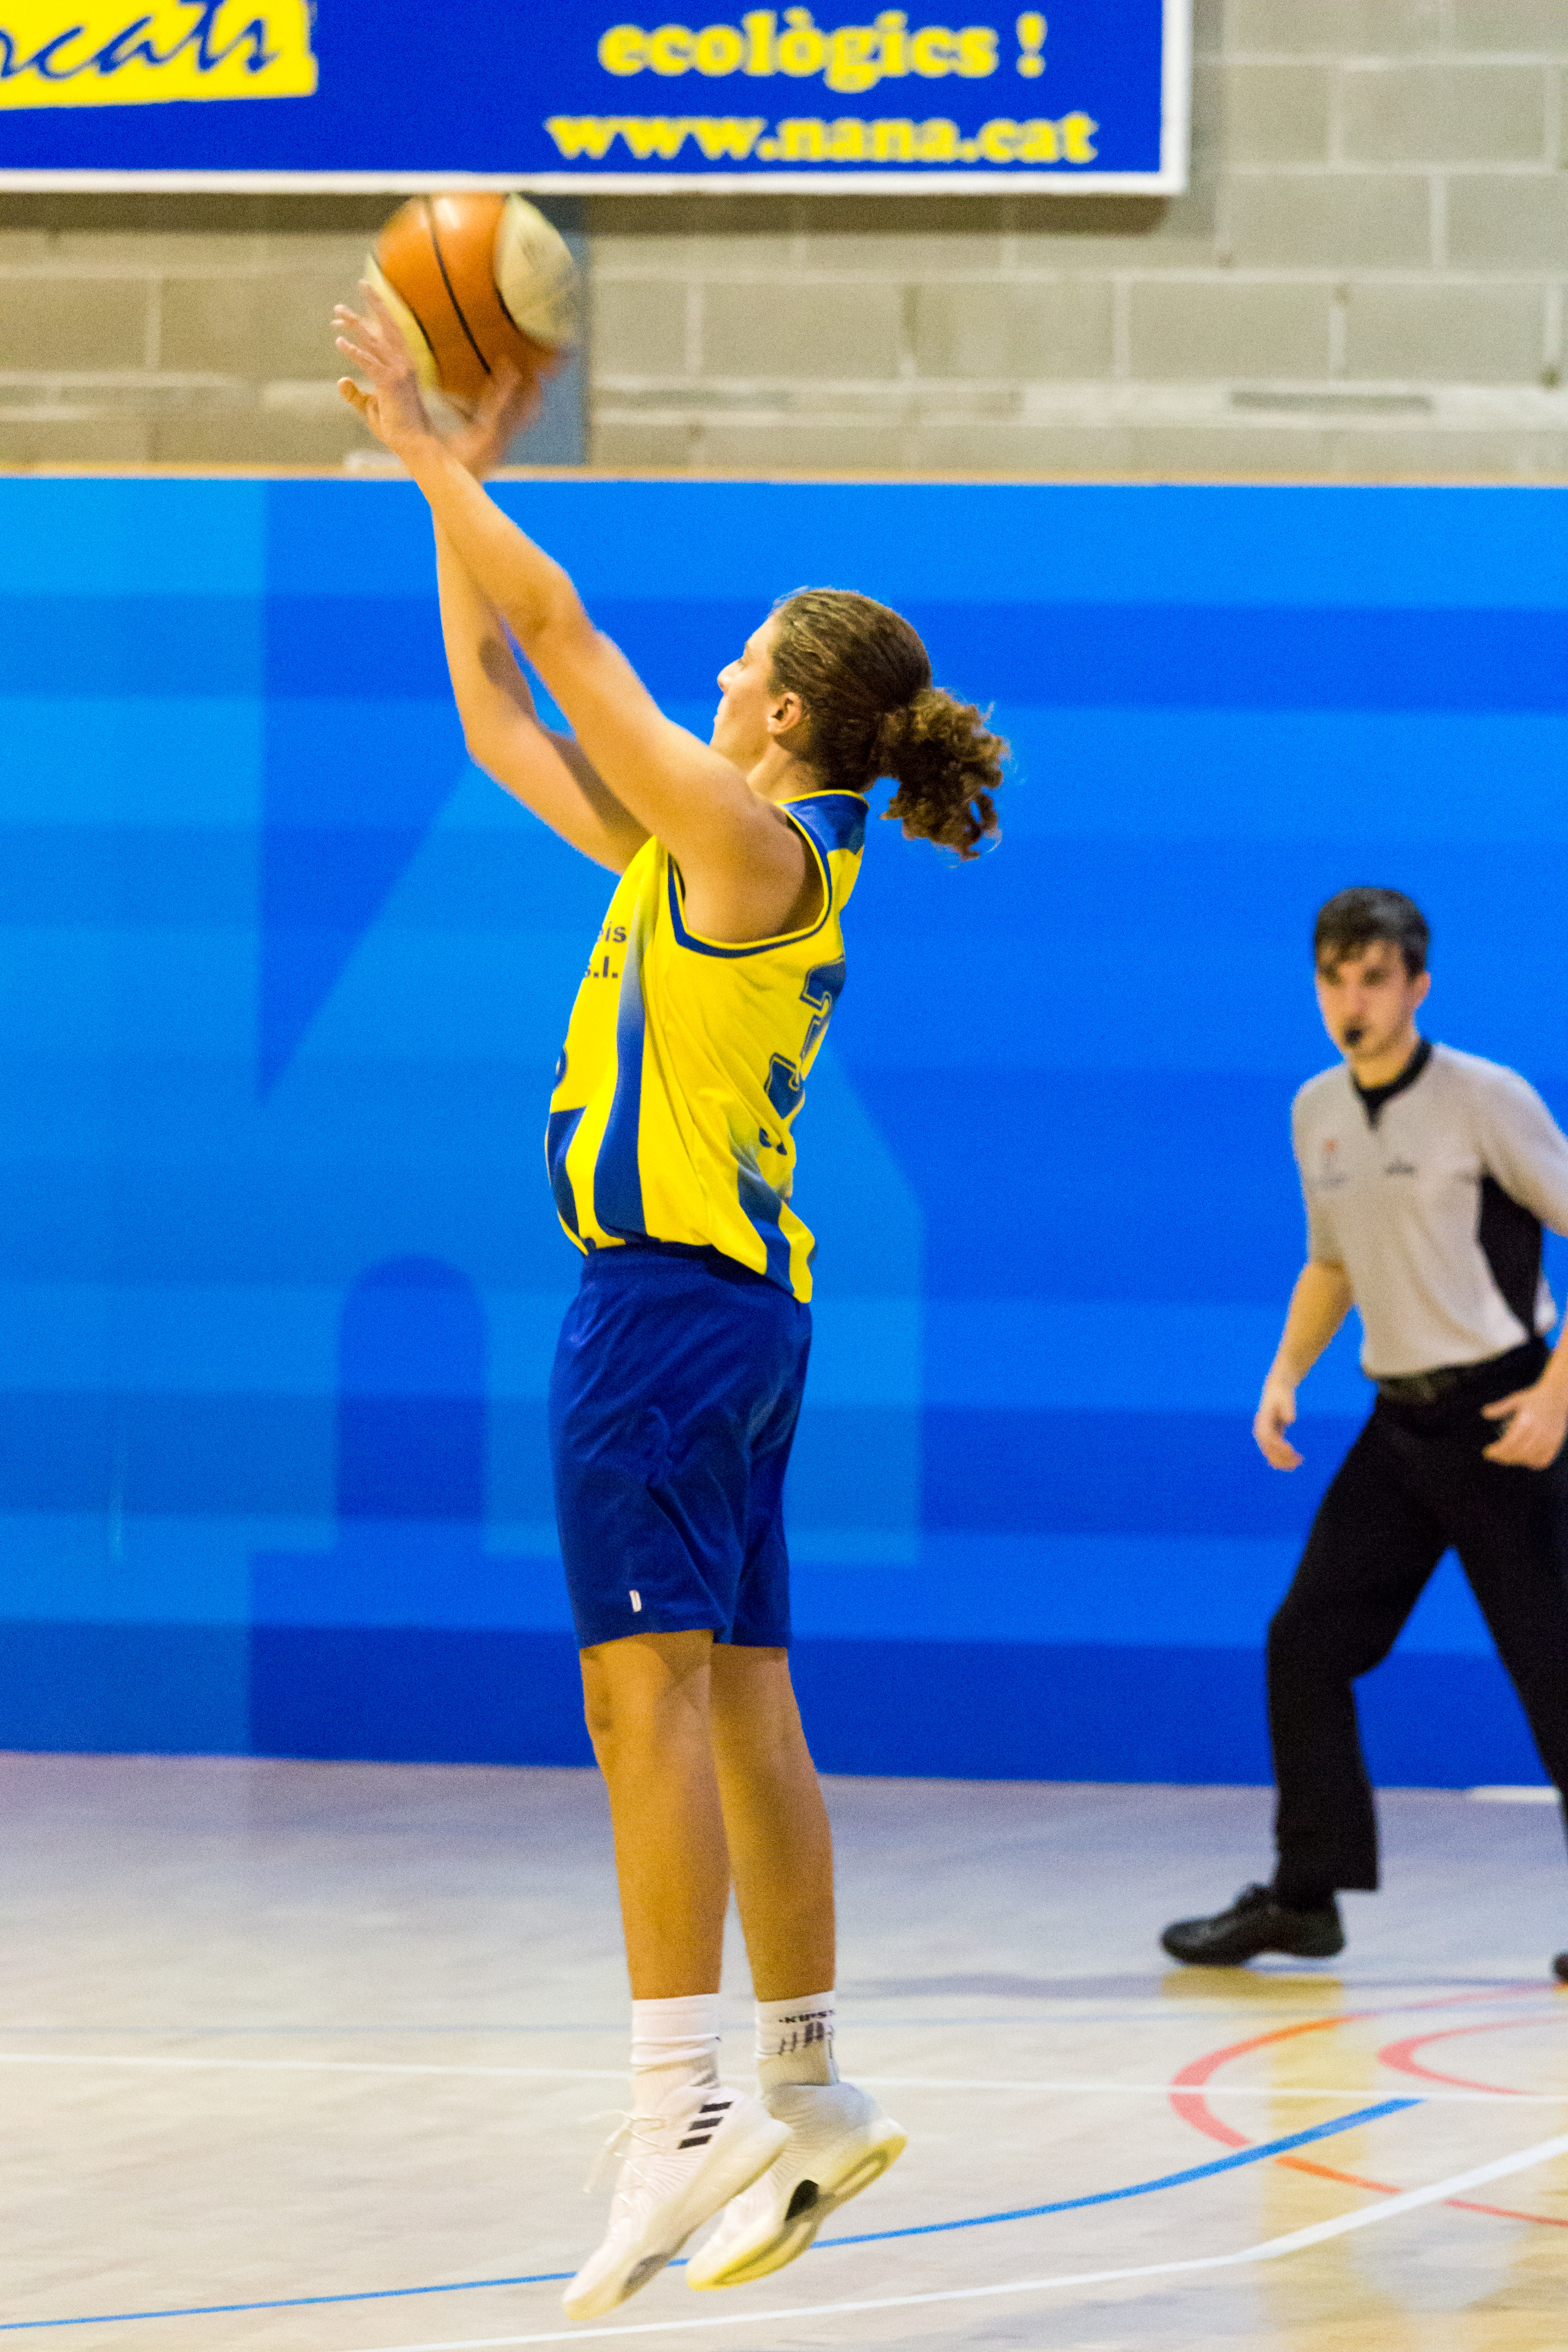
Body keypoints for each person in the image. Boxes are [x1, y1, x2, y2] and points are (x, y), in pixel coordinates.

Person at [333, 294, 1005, 2320]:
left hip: (660, 1321)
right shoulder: (710, 846)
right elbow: (497, 713)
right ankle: (804, 2080)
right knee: (742, 1704)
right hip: (740, 1323)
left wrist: (429, 445)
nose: (712, 677)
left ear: (785, 716)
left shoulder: (742, 841)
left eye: (740, 665)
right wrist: (450, 504)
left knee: (640, 1705)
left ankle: (675, 2109)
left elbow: (565, 640)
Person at [1161, 887, 1568, 1980]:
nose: (1354, 1002)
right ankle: (1306, 1898)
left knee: (1556, 1669)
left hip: (1507, 1415)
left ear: (1417, 986)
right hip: (1400, 1427)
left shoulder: (1486, 1100)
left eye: (1375, 979)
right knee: (1306, 1645)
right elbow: (1333, 1261)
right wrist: (1285, 1372)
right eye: (1335, 980)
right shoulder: (1317, 1109)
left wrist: (1557, 1394)